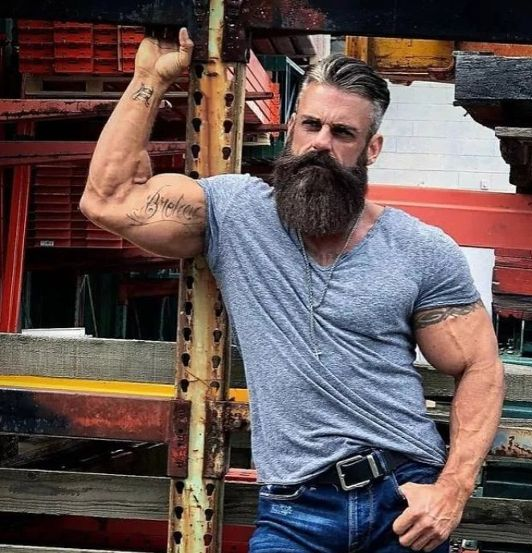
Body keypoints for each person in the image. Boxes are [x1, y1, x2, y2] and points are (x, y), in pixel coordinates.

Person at [80, 28, 505, 552]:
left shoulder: (419, 249)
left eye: (343, 133)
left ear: (371, 149)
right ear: (291, 129)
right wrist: (150, 78)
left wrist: (452, 490)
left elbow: (480, 366)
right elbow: (107, 199)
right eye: (311, 124)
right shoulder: (236, 215)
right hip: (294, 509)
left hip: (401, 499)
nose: (322, 143)